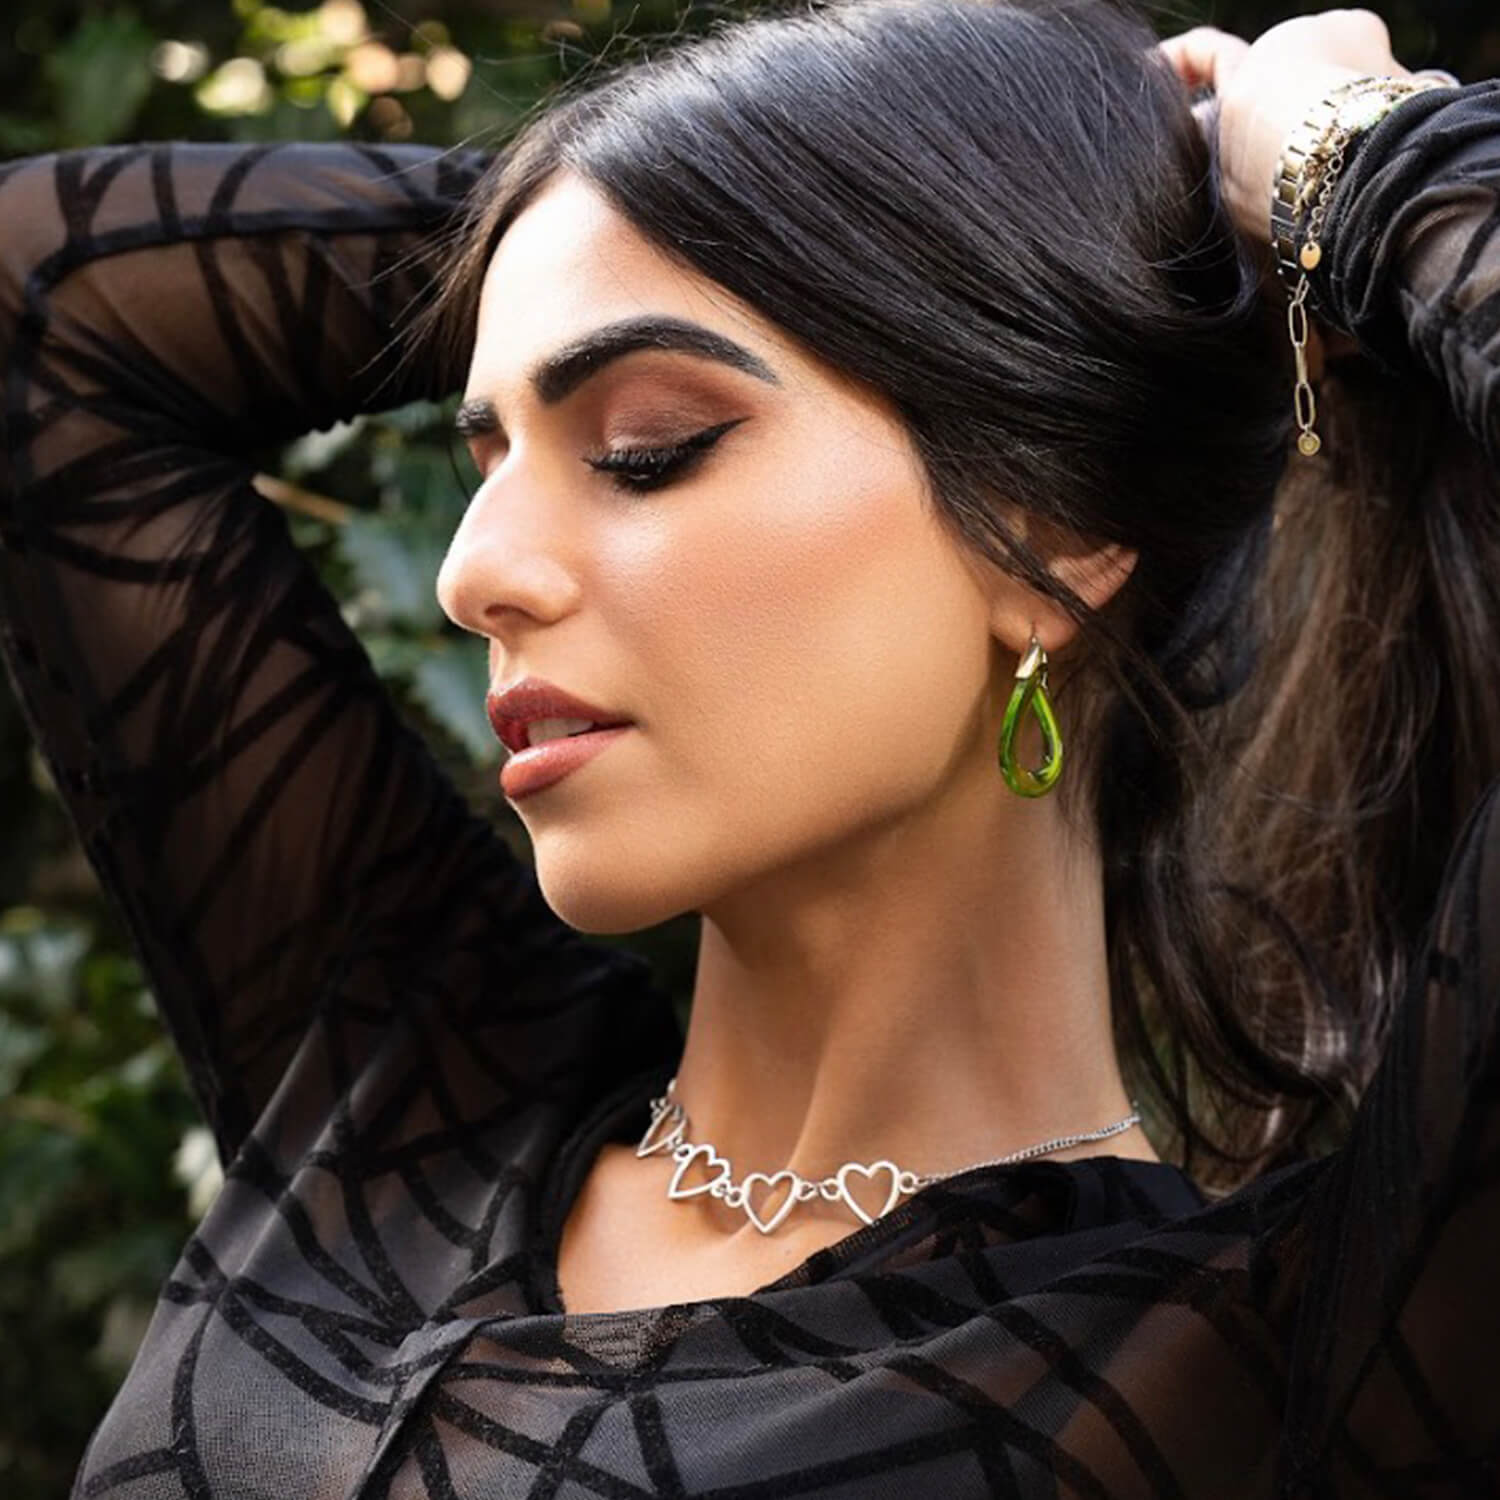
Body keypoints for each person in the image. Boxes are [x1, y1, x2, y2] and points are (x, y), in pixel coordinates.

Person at [0, 0, 1496, 1492]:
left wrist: (1339, 155)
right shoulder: (401, 1080)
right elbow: (43, 306)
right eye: (492, 453)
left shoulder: (1271, 1365)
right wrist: (665, 194)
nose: (473, 571)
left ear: (1047, 531)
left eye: (644, 447)